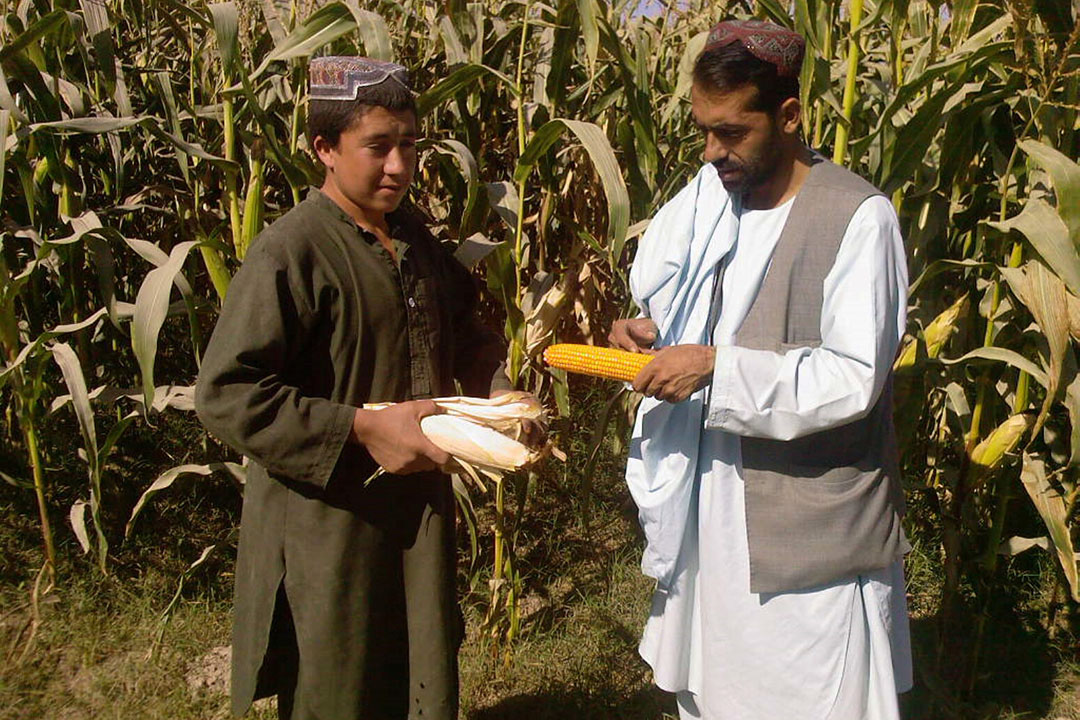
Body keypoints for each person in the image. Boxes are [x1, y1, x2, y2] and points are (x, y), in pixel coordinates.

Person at [607, 20, 913, 720]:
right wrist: (652, 337)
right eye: (703, 131)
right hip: (710, 505)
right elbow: (697, 314)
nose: (713, 151)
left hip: (805, 529)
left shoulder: (857, 218)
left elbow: (852, 377)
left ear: (789, 116)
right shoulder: (713, 200)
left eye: (733, 132)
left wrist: (714, 368)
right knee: (716, 694)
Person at [195, 56, 510, 720]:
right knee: (338, 681)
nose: (400, 166)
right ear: (325, 149)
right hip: (329, 527)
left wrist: (501, 398)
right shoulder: (292, 252)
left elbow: (467, 333)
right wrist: (365, 430)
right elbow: (227, 394)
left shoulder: (415, 242)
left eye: (411, 145)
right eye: (379, 146)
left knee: (419, 671)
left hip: (415, 519)